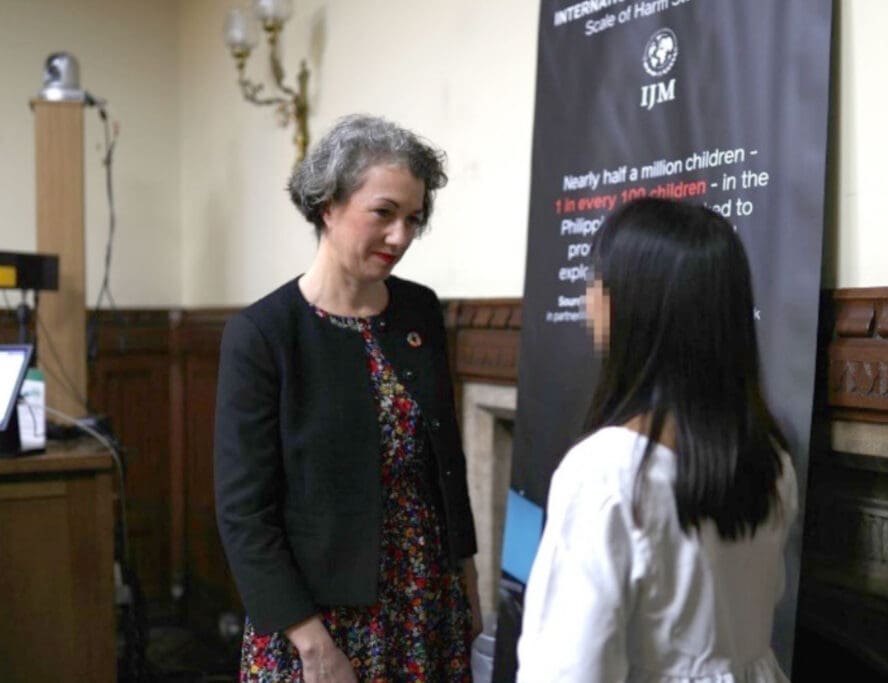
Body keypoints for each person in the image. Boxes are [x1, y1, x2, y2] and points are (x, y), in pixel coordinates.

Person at [215, 114, 482, 683]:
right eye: (383, 213)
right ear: (327, 205)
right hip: (319, 619)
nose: (401, 237)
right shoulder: (264, 333)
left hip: (424, 601)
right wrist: (313, 646)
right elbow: (244, 512)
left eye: (414, 219)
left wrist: (466, 577)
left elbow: (446, 458)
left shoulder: (420, 311)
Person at [516, 198, 798, 682]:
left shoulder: (607, 471)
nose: (588, 298)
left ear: (632, 306)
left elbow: (566, 668)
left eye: (596, 281)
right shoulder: (771, 459)